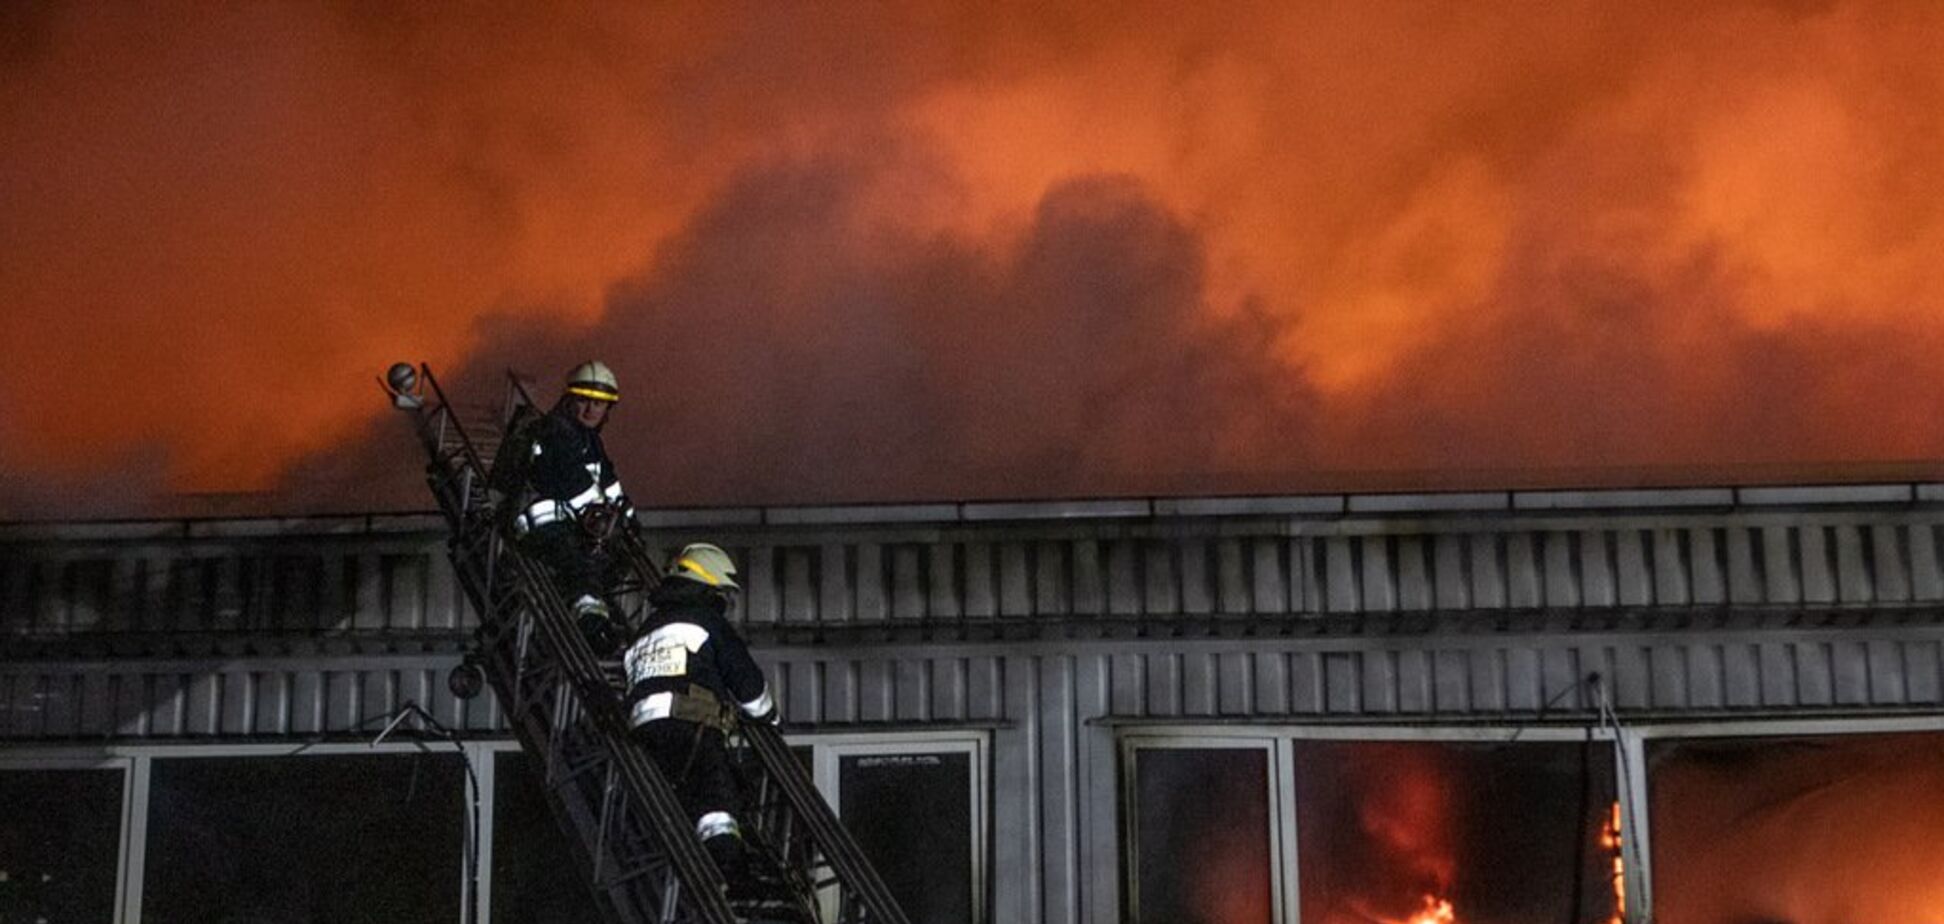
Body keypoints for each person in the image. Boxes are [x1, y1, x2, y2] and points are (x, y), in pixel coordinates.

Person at [621, 542, 778, 895]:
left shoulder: (644, 631)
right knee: (716, 795)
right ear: (709, 587)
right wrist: (770, 719)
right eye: (723, 592)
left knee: (682, 798)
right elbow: (747, 684)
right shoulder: (706, 621)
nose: (725, 602)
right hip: (690, 723)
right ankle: (730, 871)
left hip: (644, 734)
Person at [504, 360, 636, 648]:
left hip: (574, 526)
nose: (590, 410)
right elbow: (575, 483)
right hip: (542, 528)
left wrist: (628, 515)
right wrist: (608, 515)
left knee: (617, 558)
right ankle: (591, 627)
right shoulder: (554, 432)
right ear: (569, 399)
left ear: (608, 408)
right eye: (583, 401)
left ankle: (594, 612)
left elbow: (608, 482)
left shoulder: (590, 440)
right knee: (580, 563)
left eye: (598, 404)